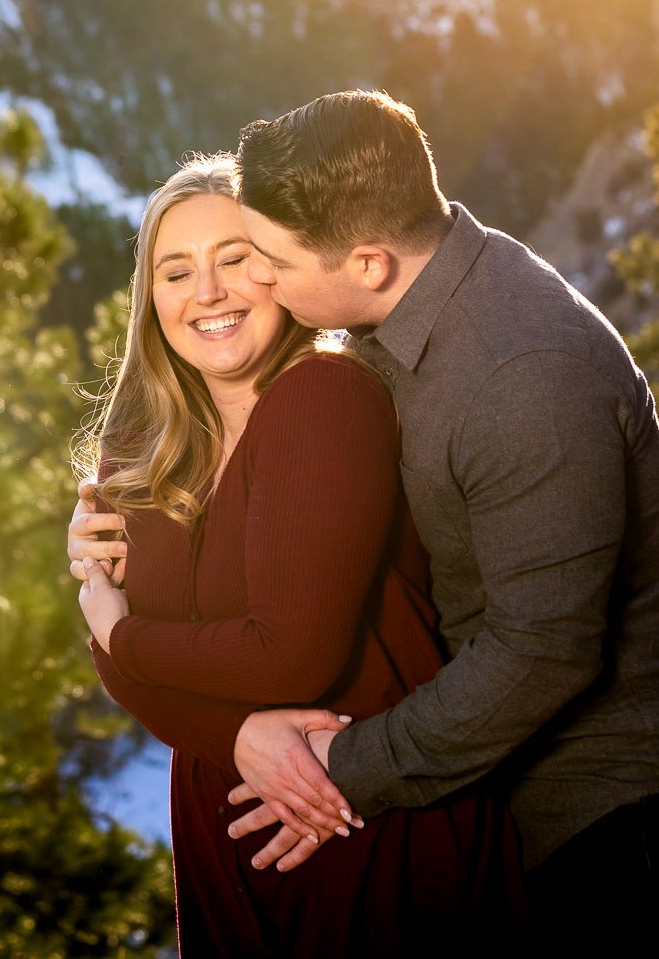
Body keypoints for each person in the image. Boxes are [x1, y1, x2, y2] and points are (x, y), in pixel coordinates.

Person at [202, 89, 659, 955]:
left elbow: (542, 651)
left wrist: (339, 773)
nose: (257, 280)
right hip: (547, 808)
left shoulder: (522, 377)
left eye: (274, 263)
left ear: (368, 263)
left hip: (642, 813)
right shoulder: (404, 307)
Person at [68, 153, 524, 955]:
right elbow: (121, 673)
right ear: (152, 301)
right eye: (177, 272)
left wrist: (119, 631)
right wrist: (232, 738)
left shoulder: (325, 396)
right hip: (232, 837)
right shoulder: (143, 449)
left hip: (363, 814)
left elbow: (289, 662)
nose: (206, 293)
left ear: (279, 272)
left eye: (234, 259)